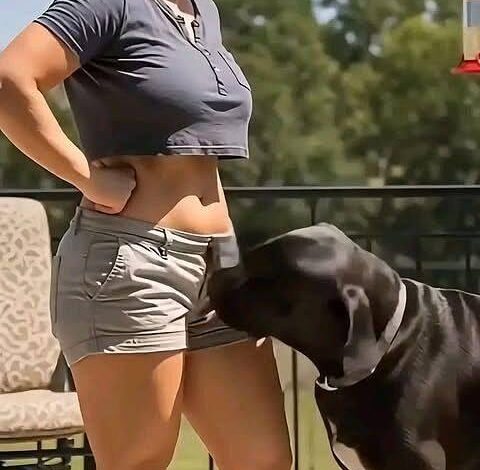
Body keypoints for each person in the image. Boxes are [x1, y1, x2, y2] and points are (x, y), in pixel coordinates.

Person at [0, 0, 292, 469]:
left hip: (221, 265)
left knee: (263, 460)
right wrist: (87, 178)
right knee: (140, 462)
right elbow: (10, 79)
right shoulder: (108, 4)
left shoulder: (203, 11)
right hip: (132, 263)